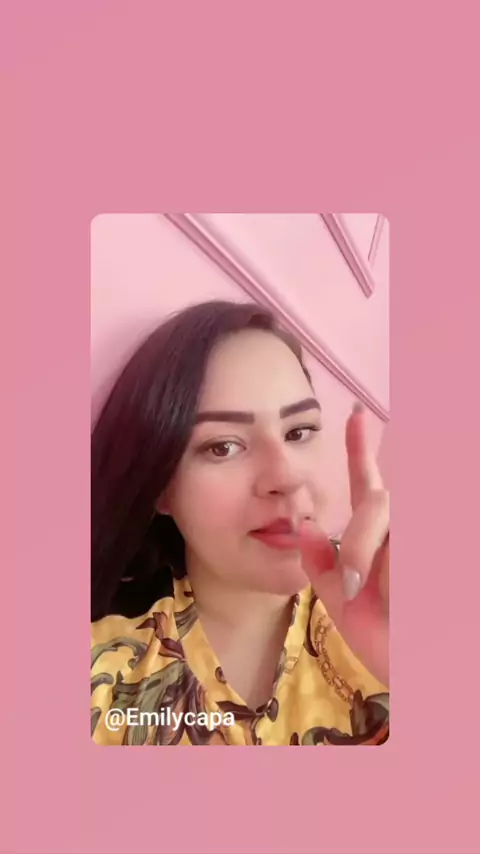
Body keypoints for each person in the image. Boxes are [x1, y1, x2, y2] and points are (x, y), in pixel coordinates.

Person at [91, 299, 389, 746]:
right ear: (161, 485)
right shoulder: (103, 676)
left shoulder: (390, 599)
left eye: (298, 432)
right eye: (223, 446)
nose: (286, 476)